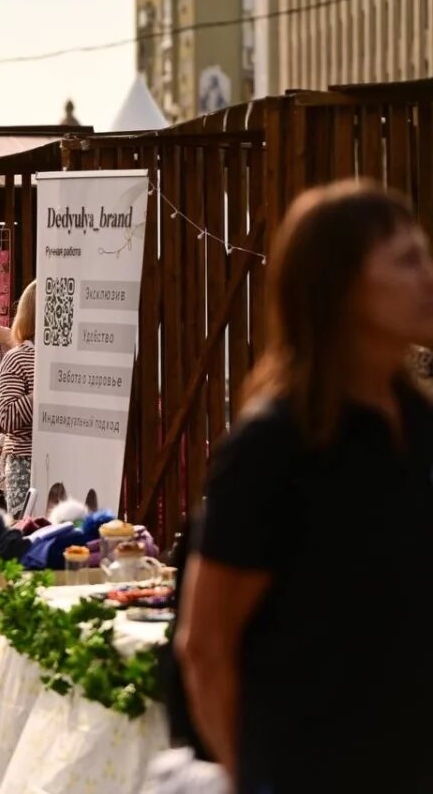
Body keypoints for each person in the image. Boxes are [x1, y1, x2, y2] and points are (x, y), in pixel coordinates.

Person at [175, 181, 433, 793]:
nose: (428, 276)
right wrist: (258, 778)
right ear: (340, 285)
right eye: (405, 260)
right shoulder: (275, 445)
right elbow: (205, 647)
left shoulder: (416, 423)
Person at [0, 281, 37, 514]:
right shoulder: (17, 358)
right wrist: (43, 394)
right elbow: (7, 417)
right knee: (26, 532)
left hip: (65, 460)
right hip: (25, 465)